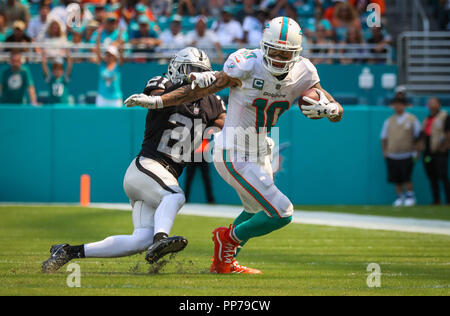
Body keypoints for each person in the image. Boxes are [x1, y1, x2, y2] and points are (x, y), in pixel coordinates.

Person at [125, 17, 343, 274]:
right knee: (283, 212)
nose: (280, 58)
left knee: (254, 211)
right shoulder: (247, 63)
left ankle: (222, 264)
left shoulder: (305, 70)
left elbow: (327, 100)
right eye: (274, 50)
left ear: (296, 53)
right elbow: (198, 92)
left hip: (260, 148)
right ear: (264, 46)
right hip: (234, 149)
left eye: (286, 53)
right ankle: (226, 239)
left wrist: (333, 109)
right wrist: (160, 102)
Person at [42, 48, 226, 273]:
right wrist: (190, 81)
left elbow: (227, 122)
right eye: (191, 70)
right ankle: (161, 238)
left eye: (201, 71)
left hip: (159, 178)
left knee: (140, 240)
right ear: (177, 69)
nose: (196, 74)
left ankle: (68, 252)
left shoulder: (213, 102)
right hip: (147, 166)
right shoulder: (162, 83)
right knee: (175, 196)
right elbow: (158, 96)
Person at [381, 97, 421, 207]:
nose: (397, 107)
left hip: (407, 153)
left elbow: (418, 136)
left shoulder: (412, 119)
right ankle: (399, 197)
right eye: (395, 104)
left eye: (400, 104)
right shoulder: (389, 121)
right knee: (396, 178)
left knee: (406, 177)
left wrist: (417, 151)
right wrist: (385, 151)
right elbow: (384, 137)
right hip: (392, 154)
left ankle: (410, 196)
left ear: (404, 106)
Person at [421, 97, 450, 205]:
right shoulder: (428, 118)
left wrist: (445, 146)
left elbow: (448, 133)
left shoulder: (444, 116)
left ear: (439, 104)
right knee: (432, 176)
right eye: (429, 103)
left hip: (440, 151)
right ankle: (436, 200)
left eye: (433, 103)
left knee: (443, 176)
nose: (431, 105)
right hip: (428, 152)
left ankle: (448, 200)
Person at [184, 139, 216, 204]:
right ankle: (185, 199)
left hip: (203, 154)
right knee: (189, 178)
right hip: (192, 154)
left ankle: (210, 200)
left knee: (206, 178)